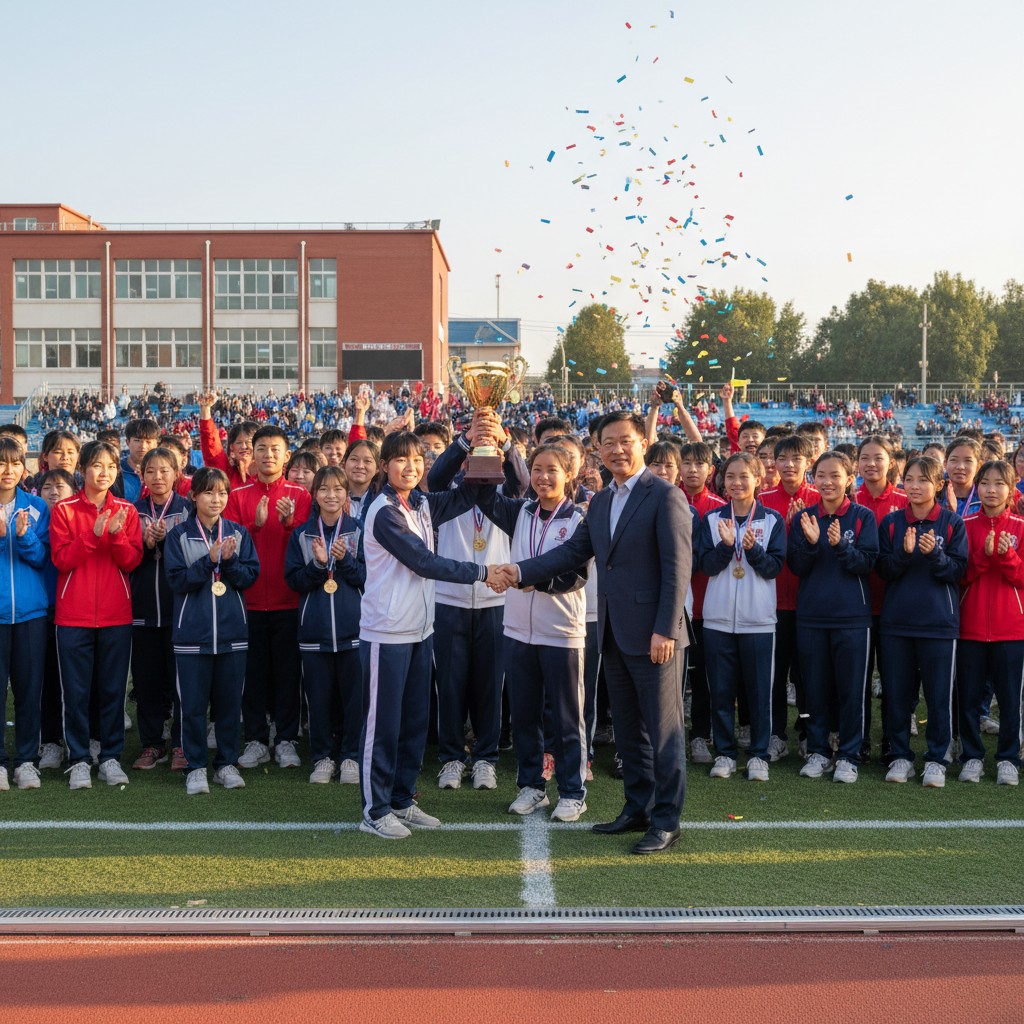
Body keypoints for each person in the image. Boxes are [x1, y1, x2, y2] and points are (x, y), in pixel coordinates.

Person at [496, 410, 692, 855]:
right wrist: (520, 570)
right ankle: (636, 808)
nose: (617, 449)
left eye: (626, 441)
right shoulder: (601, 501)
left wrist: (665, 628)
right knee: (628, 729)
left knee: (663, 732)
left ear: (643, 442)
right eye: (609, 442)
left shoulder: (665, 496)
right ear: (596, 449)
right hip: (613, 634)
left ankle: (666, 820)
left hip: (656, 637)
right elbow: (570, 552)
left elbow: (678, 570)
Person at [358, 431, 504, 840]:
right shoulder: (383, 510)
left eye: (417, 460)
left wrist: (479, 444)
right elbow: (422, 561)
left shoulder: (420, 503)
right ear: (385, 465)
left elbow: (466, 497)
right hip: (386, 633)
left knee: (414, 724)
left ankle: (402, 800)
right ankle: (375, 809)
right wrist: (482, 572)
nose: (411, 467)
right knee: (382, 726)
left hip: (420, 631)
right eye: (401, 460)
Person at [476, 443, 590, 821]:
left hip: (561, 632)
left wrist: (532, 582)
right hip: (518, 630)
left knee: (565, 716)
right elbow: (481, 494)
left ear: (569, 474)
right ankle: (531, 786)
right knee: (524, 714)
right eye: (537, 468)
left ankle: (573, 791)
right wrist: (486, 443)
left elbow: (576, 575)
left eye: (552, 469)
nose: (543, 477)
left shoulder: (578, 519)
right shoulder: (520, 510)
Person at [425, 409, 525, 792]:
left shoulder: (508, 499)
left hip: (495, 603)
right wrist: (467, 439)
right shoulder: (447, 496)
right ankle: (451, 757)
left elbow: (522, 481)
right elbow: (434, 476)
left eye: (489, 455)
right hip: (449, 600)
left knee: (489, 686)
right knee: (449, 685)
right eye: (472, 457)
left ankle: (485, 758)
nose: (479, 464)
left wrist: (505, 441)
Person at [51, 440, 143, 790]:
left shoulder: (127, 511)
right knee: (75, 693)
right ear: (82, 470)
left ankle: (109, 758)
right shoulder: (64, 510)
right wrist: (93, 534)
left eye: (110, 467)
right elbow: (61, 559)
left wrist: (116, 535)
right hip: (72, 616)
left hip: (116, 615)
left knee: (112, 692)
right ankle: (77, 759)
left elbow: (132, 561)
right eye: (96, 465)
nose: (103, 472)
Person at [164, 467, 260, 795]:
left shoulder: (239, 533)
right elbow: (177, 581)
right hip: (192, 636)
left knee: (230, 705)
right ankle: (195, 766)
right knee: (192, 706)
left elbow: (249, 577)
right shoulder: (179, 535)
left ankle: (227, 763)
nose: (216, 499)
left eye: (222, 493)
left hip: (233, 634)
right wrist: (210, 560)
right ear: (194, 496)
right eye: (208, 492)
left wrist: (229, 563)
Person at [225, 425, 313, 771]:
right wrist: (255, 526)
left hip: (289, 600)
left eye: (275, 449)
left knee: (288, 673)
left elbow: (308, 545)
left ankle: (287, 738)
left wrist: (290, 523)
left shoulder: (301, 496)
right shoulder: (237, 495)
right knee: (253, 673)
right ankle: (257, 739)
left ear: (286, 455)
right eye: (261, 448)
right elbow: (230, 545)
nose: (268, 455)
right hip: (247, 602)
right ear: (250, 453)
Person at [788, 451, 878, 784]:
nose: (827, 482)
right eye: (821, 475)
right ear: (813, 479)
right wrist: (812, 544)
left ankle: (849, 755)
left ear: (849, 479)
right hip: (811, 618)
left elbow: (867, 564)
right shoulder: (804, 518)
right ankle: (819, 750)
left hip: (852, 618)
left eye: (835, 475)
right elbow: (796, 566)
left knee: (852, 690)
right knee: (815, 689)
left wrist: (841, 546)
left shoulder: (862, 517)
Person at [877, 455, 968, 786]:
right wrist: (903, 554)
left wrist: (935, 555)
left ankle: (937, 758)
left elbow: (959, 571)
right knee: (898, 696)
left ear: (939, 486)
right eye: (909, 479)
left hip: (939, 624)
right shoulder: (891, 523)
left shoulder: (951, 523)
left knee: (938, 697)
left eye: (922, 480)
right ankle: (900, 756)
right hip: (897, 624)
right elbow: (883, 570)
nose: (914, 486)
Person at [697, 453, 786, 782]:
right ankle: (724, 753)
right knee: (720, 691)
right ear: (722, 481)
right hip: (717, 620)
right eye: (730, 476)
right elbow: (705, 566)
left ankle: (759, 754)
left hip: (759, 621)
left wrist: (752, 550)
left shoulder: (772, 520)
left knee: (760, 692)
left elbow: (774, 567)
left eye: (744, 476)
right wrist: (725, 546)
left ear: (758, 479)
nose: (736, 482)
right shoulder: (711, 519)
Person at [285, 465, 366, 785]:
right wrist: (319, 565)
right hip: (314, 634)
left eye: (338, 489)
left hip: (355, 631)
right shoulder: (302, 535)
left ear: (347, 495)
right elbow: (294, 581)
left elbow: (367, 578)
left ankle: (350, 756)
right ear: (314, 495)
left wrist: (344, 560)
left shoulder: (359, 530)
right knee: (318, 701)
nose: (331, 495)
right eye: (324, 490)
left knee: (354, 699)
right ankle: (321, 757)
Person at [957, 460, 1024, 785]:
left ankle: (1008, 758)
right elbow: (958, 578)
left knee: (1010, 700)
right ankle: (972, 756)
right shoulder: (964, 524)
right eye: (985, 483)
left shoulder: (1021, 527)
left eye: (999, 483)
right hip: (969, 627)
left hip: (1011, 630)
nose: (991, 490)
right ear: (977, 487)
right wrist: (983, 557)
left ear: (1011, 490)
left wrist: (1006, 557)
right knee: (968, 698)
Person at [129, 448, 192, 772]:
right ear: (142, 475)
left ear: (176, 473)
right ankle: (152, 744)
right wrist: (144, 543)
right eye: (151, 471)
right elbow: (124, 560)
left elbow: (193, 558)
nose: (157, 477)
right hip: (141, 612)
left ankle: (181, 744)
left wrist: (167, 542)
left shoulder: (187, 510)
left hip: (179, 612)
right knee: (147, 683)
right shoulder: (132, 511)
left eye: (164, 470)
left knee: (181, 684)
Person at [760, 435, 820, 759]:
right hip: (771, 603)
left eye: (795, 458)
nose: (788, 464)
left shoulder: (819, 498)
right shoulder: (764, 498)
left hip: (808, 602)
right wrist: (785, 526)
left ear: (808, 462)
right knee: (775, 674)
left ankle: (808, 733)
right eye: (782, 458)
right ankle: (776, 734)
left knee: (807, 673)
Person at [0, 438, 51, 791]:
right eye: (1, 463)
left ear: (24, 468)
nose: (8, 471)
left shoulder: (36, 507)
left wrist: (22, 538)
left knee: (29, 692)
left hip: (31, 614)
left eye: (15, 463)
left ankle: (26, 762)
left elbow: (42, 558)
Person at [855, 435, 908, 761]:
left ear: (891, 463)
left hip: (895, 605)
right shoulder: (847, 500)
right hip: (856, 605)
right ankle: (857, 740)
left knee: (894, 680)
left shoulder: (905, 500)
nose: (871, 464)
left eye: (878, 457)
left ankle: (892, 741)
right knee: (857, 680)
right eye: (865, 457)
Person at [678, 442, 726, 765]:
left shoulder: (721, 508)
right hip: (675, 607)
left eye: (700, 464)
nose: (692, 469)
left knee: (703, 678)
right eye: (687, 463)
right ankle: (668, 738)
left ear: (711, 470)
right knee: (673, 679)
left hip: (709, 607)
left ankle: (700, 736)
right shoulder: (666, 501)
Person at [37, 468, 77, 771]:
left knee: (79, 682)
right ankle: (50, 741)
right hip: (41, 611)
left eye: (60, 487)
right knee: (47, 679)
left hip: (74, 611)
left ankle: (85, 739)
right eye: (47, 487)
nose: (53, 492)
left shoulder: (78, 520)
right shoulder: (34, 521)